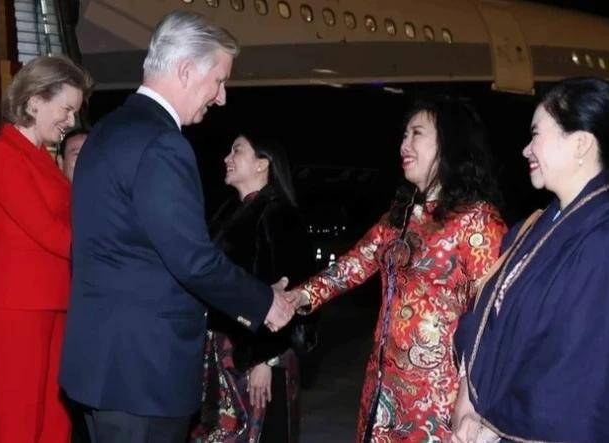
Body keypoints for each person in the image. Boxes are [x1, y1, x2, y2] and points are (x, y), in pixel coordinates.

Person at [59, 11, 296, 442]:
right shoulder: (162, 143)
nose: (221, 97)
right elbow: (192, 260)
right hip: (143, 373)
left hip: (100, 365)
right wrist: (267, 303)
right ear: (186, 70)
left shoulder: (107, 132)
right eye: (219, 80)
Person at [452, 76, 609, 443]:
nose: (526, 150)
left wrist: (495, 426)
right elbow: (486, 317)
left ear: (580, 143)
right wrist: (467, 399)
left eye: (536, 135)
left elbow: (578, 382)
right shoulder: (533, 228)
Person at [291, 100, 506, 442]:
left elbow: (497, 318)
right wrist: (299, 297)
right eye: (404, 135)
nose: (403, 145)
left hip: (439, 402)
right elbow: (354, 264)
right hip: (382, 393)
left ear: (449, 143)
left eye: (416, 134)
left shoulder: (477, 220)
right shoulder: (401, 216)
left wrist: (478, 406)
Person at [0, 55, 92, 443]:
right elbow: (48, 231)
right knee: (16, 423)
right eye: (66, 109)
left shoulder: (43, 159)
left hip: (56, 298)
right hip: (16, 302)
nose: (71, 121)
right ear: (34, 101)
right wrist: (110, 247)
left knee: (55, 424)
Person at [190, 132, 317, 442]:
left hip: (256, 355)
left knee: (258, 432)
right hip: (221, 351)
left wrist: (266, 359)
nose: (226, 158)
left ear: (263, 164)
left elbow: (295, 294)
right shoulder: (228, 212)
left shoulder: (280, 215)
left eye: (237, 150)